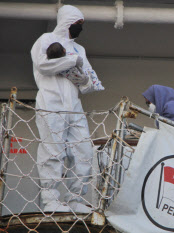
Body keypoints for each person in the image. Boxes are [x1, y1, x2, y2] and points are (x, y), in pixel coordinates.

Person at [31, 5, 100, 213]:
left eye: (82, 25)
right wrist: (70, 61)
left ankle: (75, 198)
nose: (80, 28)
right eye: (77, 24)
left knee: (84, 150)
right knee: (53, 150)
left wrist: (84, 78)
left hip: (74, 104)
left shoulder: (80, 50)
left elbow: (90, 83)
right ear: (67, 22)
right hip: (50, 103)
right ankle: (50, 199)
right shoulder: (45, 39)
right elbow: (43, 65)